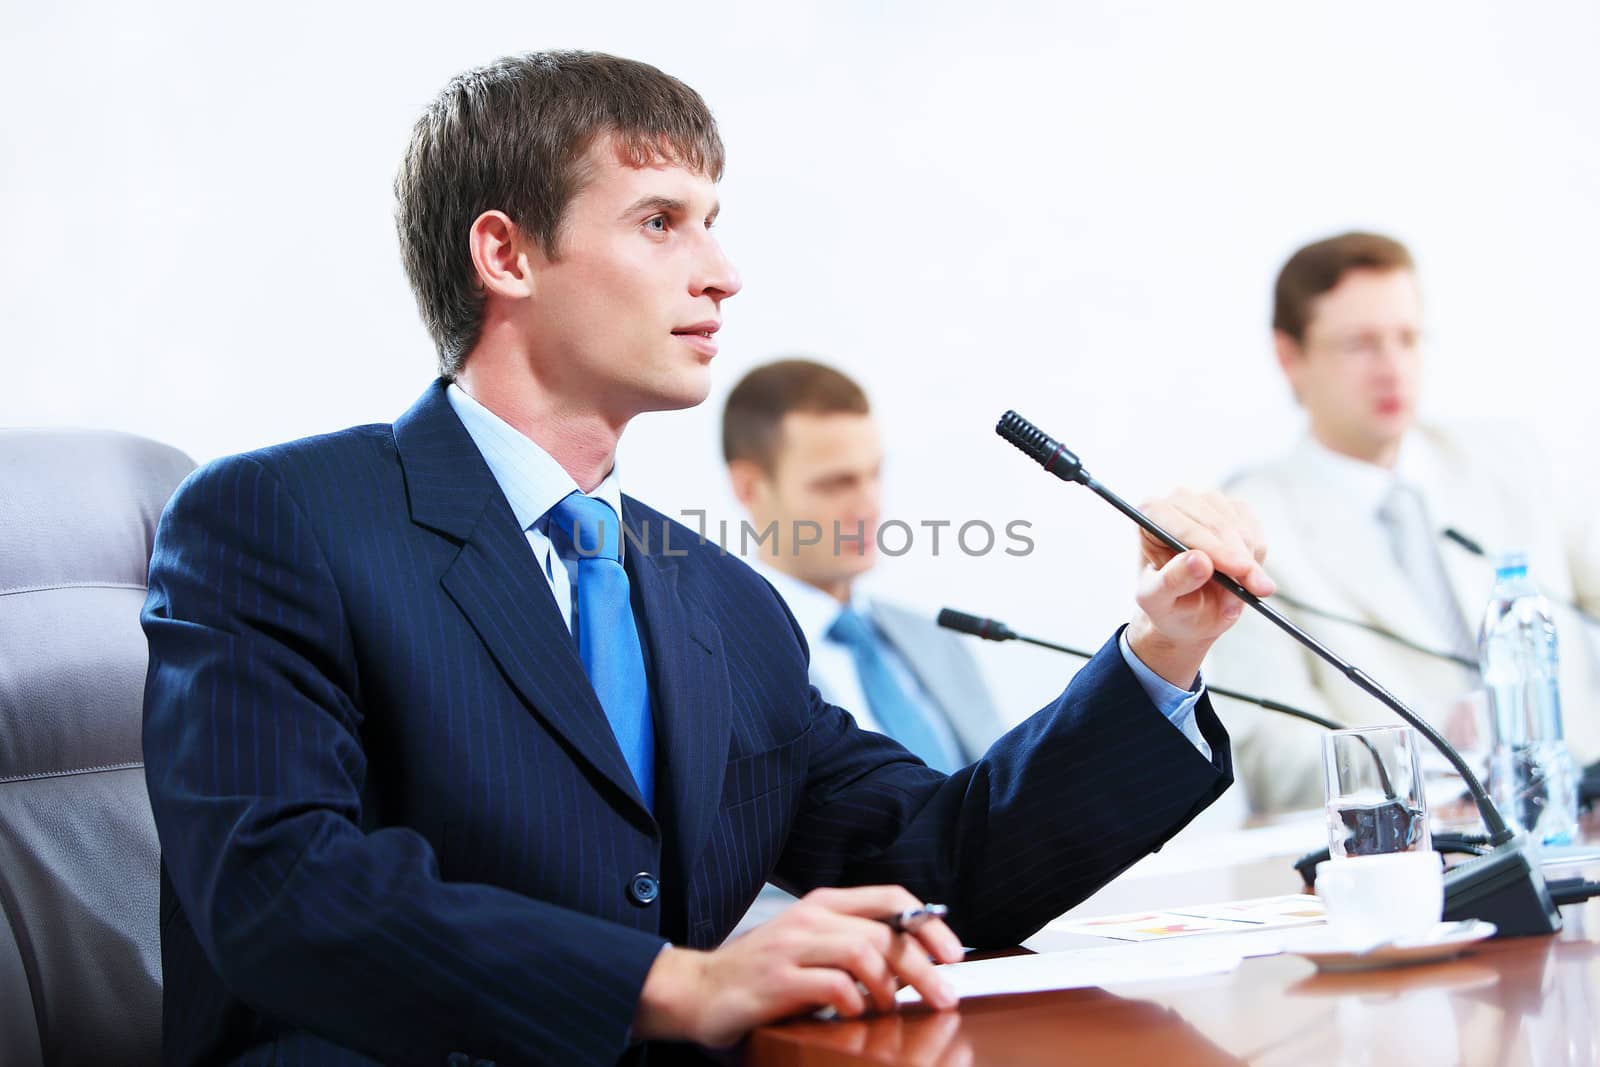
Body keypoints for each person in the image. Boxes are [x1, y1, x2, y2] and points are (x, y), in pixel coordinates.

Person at [142, 50, 1270, 1065]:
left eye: (713, 220)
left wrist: (1161, 651)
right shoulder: (278, 517)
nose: (722, 271)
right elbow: (277, 887)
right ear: (506, 253)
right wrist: (678, 981)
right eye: (659, 221)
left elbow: (940, 862)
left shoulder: (720, 599)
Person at [1207, 231, 1600, 814]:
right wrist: (1430, 748)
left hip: (1576, 834)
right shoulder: (1250, 524)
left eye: (1407, 339)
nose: (1392, 368)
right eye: (1359, 345)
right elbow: (1268, 763)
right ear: (1290, 356)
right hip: (1406, 860)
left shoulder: (1511, 461)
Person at [722, 358, 1004, 770]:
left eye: (874, 474)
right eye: (837, 483)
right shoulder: (721, 664)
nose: (869, 505)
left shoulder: (936, 639)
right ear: (748, 487)